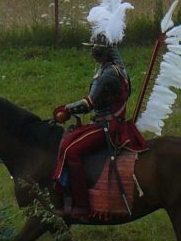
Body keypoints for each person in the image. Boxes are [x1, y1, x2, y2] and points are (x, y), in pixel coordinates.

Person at [51, 33, 148, 218]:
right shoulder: (115, 68)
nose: (92, 52)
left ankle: (81, 205)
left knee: (71, 151)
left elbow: (88, 103)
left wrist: (66, 110)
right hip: (105, 122)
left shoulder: (108, 74)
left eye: (94, 49)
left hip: (107, 127)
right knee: (68, 141)